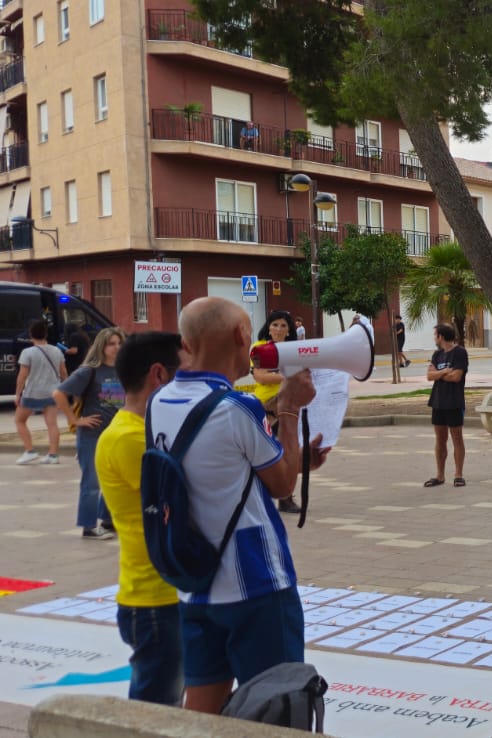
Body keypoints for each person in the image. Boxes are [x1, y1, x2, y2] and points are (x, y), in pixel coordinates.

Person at [146, 297, 325, 714]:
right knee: (277, 711)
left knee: (203, 710)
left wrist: (295, 455)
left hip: (195, 583)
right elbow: (281, 485)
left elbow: (217, 470)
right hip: (256, 584)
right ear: (243, 336)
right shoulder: (235, 407)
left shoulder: (160, 401)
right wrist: (291, 408)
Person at [95, 331, 185, 705]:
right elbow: (187, 502)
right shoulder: (129, 438)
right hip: (153, 602)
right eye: (187, 372)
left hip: (165, 596)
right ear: (160, 375)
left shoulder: (145, 431)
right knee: (152, 717)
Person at [53, 327, 127, 540]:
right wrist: (74, 419)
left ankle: (108, 519)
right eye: (111, 343)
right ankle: (88, 526)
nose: (116, 348)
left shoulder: (123, 370)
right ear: (101, 346)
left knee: (115, 480)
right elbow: (59, 393)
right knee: (92, 482)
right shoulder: (90, 370)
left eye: (119, 343)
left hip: (116, 434)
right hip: (92, 435)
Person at [248, 310, 300, 513]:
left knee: (288, 452)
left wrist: (279, 374)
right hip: (266, 405)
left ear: (289, 330)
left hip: (288, 405)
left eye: (283, 325)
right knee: (263, 452)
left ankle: (286, 498)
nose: (278, 329)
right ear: (268, 327)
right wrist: (288, 375)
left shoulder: (293, 349)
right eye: (275, 324)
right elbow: (260, 377)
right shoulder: (259, 348)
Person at [13, 320, 66, 466]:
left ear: (31, 335)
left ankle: (30, 451)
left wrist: (18, 394)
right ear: (46, 334)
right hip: (53, 392)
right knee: (52, 424)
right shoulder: (57, 350)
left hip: (33, 392)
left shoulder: (27, 352)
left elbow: (22, 376)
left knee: (19, 420)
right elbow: (63, 373)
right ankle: (53, 455)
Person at [425, 324, 469, 488]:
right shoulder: (437, 354)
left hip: (454, 401)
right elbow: (429, 376)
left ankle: (458, 474)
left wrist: (439, 374)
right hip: (438, 401)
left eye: (435, 335)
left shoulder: (459, 352)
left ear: (441, 337)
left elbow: (456, 377)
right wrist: (444, 372)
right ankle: (440, 475)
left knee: (456, 438)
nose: (435, 338)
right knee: (440, 438)